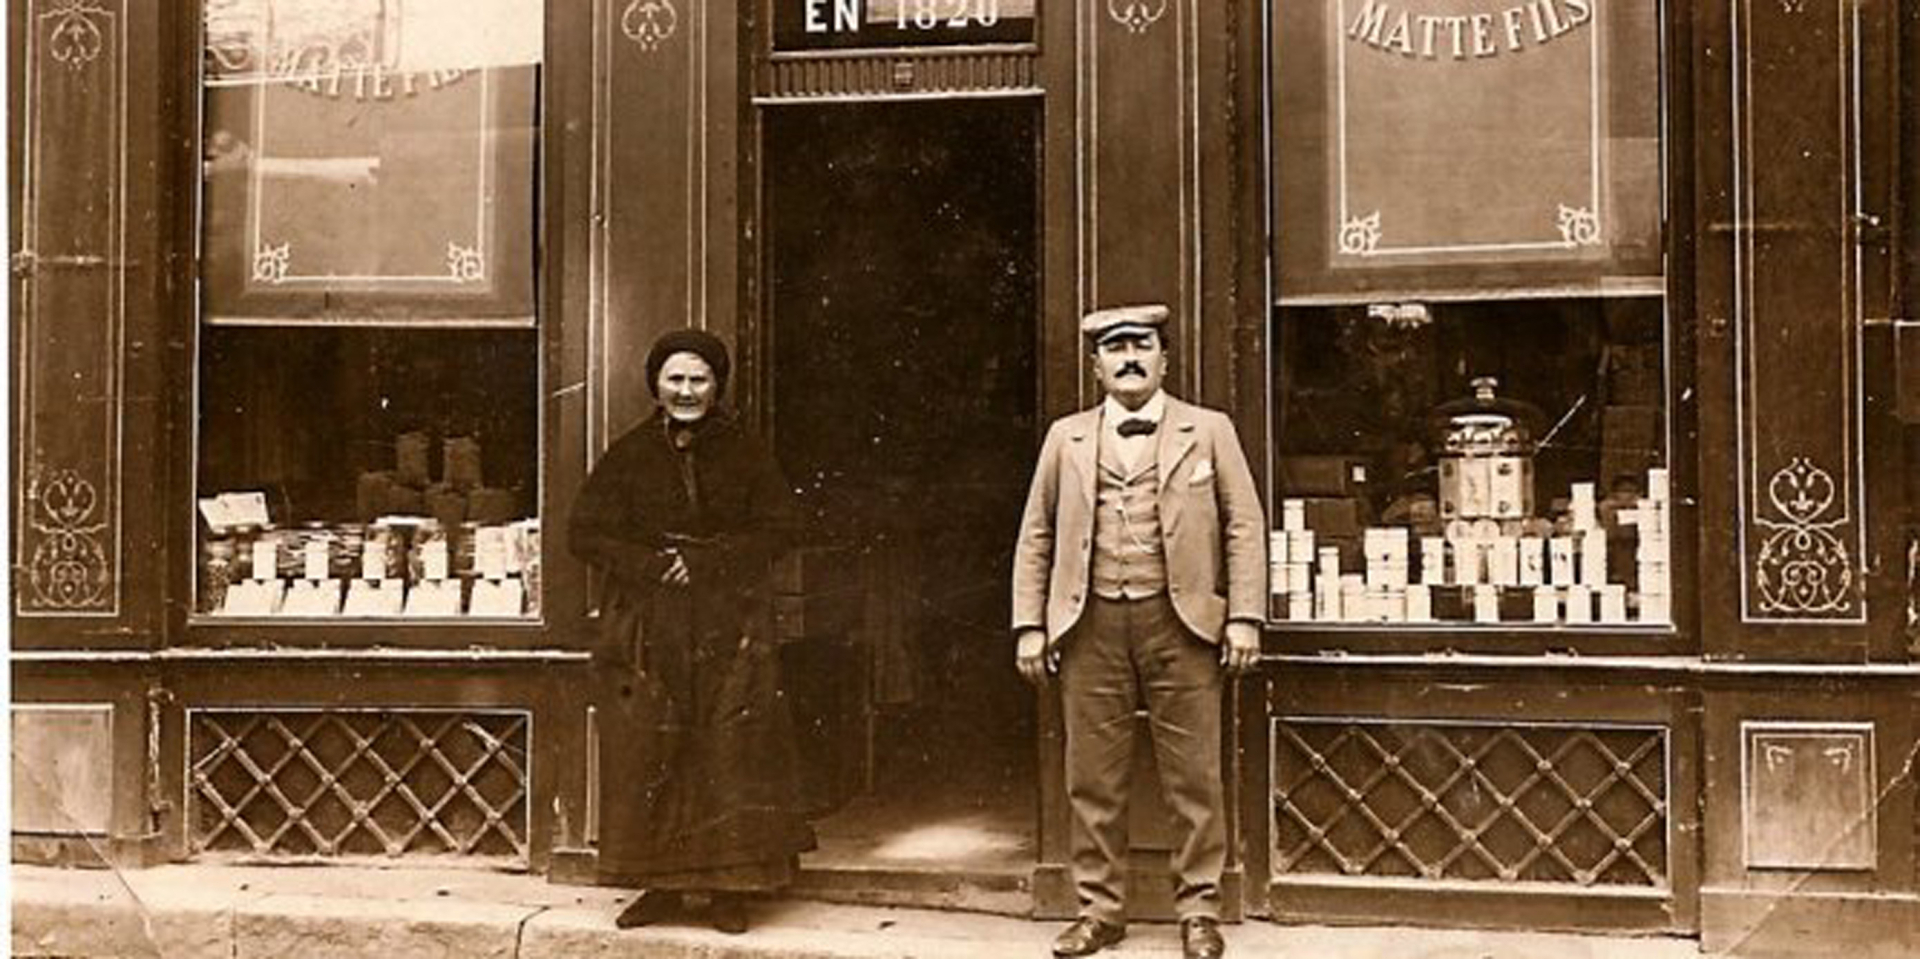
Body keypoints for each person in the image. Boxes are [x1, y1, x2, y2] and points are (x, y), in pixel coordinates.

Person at [1011, 305, 1267, 959]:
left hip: (1180, 623)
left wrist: (1242, 614)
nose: (1129, 358)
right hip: (1089, 621)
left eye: (1142, 346)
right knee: (1093, 775)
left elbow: (1244, 526)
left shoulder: (1208, 430)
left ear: (1164, 358)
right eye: (1115, 348)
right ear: (1095, 365)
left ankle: (1200, 910)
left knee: (1195, 774)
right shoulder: (1065, 438)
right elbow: (1036, 535)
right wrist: (1030, 625)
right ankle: (1099, 909)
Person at [569, 328, 814, 935]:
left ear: (717, 385)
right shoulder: (629, 454)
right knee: (653, 747)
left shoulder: (745, 450)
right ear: (656, 383)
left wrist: (708, 561)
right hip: (649, 627)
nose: (686, 391)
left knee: (731, 750)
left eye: (698, 379)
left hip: (732, 622)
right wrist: (652, 566)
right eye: (674, 379)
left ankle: (731, 887)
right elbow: (586, 533)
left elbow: (782, 526)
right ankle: (659, 885)